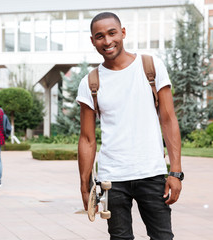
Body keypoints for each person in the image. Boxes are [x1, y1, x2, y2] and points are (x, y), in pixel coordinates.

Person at [76, 12, 183, 240]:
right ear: (93, 41)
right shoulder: (90, 82)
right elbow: (87, 138)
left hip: (151, 173)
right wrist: (85, 186)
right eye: (99, 36)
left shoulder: (150, 66)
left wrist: (175, 172)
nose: (107, 41)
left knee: (163, 237)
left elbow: (168, 119)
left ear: (123, 33)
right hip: (111, 179)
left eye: (112, 33)